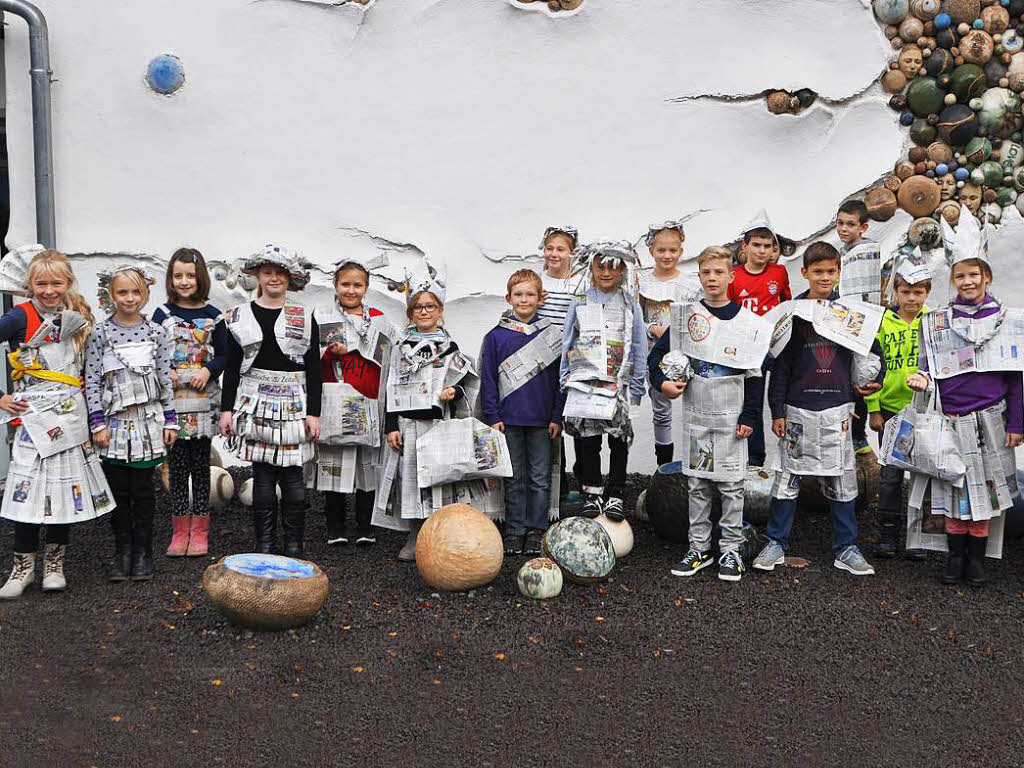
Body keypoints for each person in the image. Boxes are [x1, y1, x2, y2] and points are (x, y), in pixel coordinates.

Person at [906, 206, 1022, 587]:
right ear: (952, 279)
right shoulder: (938, 321)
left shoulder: (1007, 321)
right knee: (954, 488)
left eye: (974, 274)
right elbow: (929, 365)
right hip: (952, 417)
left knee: (986, 493)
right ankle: (954, 559)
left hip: (991, 418)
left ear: (986, 276)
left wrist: (1017, 423)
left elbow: (1016, 378)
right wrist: (923, 380)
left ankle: (976, 561)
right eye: (960, 275)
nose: (967, 281)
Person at [752, 242, 884, 576]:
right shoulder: (792, 314)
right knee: (787, 479)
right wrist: (777, 410)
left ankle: (846, 547)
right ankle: (777, 543)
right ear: (805, 272)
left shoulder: (852, 314)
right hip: (798, 408)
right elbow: (779, 367)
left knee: (841, 480)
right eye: (818, 271)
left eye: (830, 271)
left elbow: (872, 354)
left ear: (839, 272)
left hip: (838, 409)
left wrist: (874, 380)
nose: (824, 277)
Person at [648, 246, 769, 582]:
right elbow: (657, 358)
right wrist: (663, 383)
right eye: (706, 273)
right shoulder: (686, 319)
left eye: (719, 272)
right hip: (699, 419)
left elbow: (755, 375)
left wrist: (750, 417)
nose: (712, 278)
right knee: (699, 485)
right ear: (699, 277)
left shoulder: (748, 324)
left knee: (732, 488)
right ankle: (699, 548)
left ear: (731, 275)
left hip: (732, 422)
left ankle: (731, 550)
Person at [0, 249, 114, 599]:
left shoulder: (77, 314)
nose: (49, 290)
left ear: (68, 283)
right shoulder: (18, 317)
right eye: (41, 283)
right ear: (29, 285)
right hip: (32, 420)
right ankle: (22, 568)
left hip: (70, 416)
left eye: (56, 283)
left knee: (63, 490)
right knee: (26, 490)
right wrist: (1, 397)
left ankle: (54, 564)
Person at [375, 259, 482, 562]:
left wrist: (453, 392)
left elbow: (464, 386)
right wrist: (391, 426)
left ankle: (441, 537)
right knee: (411, 483)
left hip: (438, 423)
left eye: (430, 306)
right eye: (418, 307)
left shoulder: (449, 347)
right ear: (410, 313)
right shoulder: (399, 348)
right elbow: (389, 387)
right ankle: (414, 535)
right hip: (409, 424)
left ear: (440, 311)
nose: (424, 311)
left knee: (438, 482)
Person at [220, 245, 321, 556]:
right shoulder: (238, 317)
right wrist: (227, 410)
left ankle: (294, 542)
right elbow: (232, 365)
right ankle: (264, 542)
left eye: (280, 272)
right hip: (254, 401)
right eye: (267, 272)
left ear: (289, 278)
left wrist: (313, 413)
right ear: (257, 276)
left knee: (293, 476)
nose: (274, 277)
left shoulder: (303, 316)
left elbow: (314, 366)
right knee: (262, 475)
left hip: (294, 402)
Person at [85, 266, 177, 582]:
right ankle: (122, 552)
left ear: (146, 294)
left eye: (136, 292)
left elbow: (165, 378)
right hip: (113, 426)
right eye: (122, 292)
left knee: (143, 491)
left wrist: (171, 420)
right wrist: (96, 422)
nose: (129, 298)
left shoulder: (156, 334)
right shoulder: (100, 333)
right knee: (118, 492)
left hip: (147, 424)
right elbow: (92, 380)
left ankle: (143, 553)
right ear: (111, 295)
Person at [309, 257, 396, 546]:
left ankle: (365, 525)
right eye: (345, 284)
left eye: (357, 285)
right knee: (334, 462)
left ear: (367, 287)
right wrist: (330, 351)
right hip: (334, 398)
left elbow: (389, 356)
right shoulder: (322, 316)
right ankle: (335, 526)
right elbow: (309, 357)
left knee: (367, 466)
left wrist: (354, 349)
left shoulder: (379, 317)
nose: (351, 290)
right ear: (335, 285)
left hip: (368, 397)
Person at [479, 269, 565, 556]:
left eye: (530, 294)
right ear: (508, 298)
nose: (524, 299)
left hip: (541, 421)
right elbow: (488, 378)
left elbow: (559, 380)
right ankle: (515, 531)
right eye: (519, 294)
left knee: (540, 478)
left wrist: (556, 416)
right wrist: (492, 416)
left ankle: (537, 529)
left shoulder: (552, 334)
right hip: (508, 420)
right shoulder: (496, 337)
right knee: (513, 478)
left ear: (540, 298)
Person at [559, 241, 646, 521]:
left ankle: (616, 493)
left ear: (623, 272)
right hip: (586, 384)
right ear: (591, 269)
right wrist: (564, 375)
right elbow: (568, 340)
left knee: (619, 439)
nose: (606, 272)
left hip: (617, 385)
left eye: (613, 267)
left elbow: (639, 344)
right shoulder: (580, 301)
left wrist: (637, 383)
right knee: (589, 440)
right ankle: (592, 492)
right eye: (600, 266)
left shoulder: (630, 303)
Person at [152, 248, 228, 557]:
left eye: (190, 276)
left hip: (204, 403)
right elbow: (154, 352)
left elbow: (225, 354)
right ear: (171, 279)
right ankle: (179, 530)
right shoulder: (161, 315)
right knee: (177, 468)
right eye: (178, 276)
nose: (184, 282)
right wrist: (164, 371)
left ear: (201, 278)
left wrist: (209, 369)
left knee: (202, 467)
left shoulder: (214, 315)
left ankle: (200, 531)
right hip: (174, 407)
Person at [866, 248, 932, 559]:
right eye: (906, 291)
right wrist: (874, 408)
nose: (911, 298)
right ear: (896, 290)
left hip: (925, 410)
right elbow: (869, 367)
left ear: (927, 291)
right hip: (891, 410)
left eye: (918, 292)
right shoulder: (883, 322)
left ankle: (918, 536)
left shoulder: (934, 322)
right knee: (891, 475)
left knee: (923, 475)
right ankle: (887, 534)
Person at [727, 210, 793, 468]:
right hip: (745, 349)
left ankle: (784, 460)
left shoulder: (779, 273)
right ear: (745, 246)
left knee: (777, 399)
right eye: (757, 245)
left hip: (774, 348)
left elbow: (786, 305)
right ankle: (752, 458)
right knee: (747, 401)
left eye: (768, 246)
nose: (762, 251)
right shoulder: (734, 275)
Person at [637, 221, 701, 466]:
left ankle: (696, 465)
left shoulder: (691, 284)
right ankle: (662, 468)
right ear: (651, 250)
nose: (667, 255)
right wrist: (651, 328)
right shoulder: (642, 282)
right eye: (661, 250)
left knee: (694, 409)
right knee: (661, 412)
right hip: (653, 354)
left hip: (685, 354)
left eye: (672, 250)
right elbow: (634, 318)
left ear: (681, 251)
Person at [536, 226, 584, 505]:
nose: (554, 254)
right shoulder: (538, 282)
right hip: (544, 361)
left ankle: (580, 476)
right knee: (551, 421)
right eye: (550, 248)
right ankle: (560, 482)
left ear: (572, 253)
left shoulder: (579, 284)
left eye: (560, 249)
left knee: (574, 420)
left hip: (571, 361)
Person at [836, 198, 882, 455]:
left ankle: (858, 435)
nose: (843, 229)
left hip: (862, 321)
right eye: (840, 223)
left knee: (861, 377)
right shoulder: (843, 252)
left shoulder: (866, 251)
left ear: (863, 228)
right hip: (846, 321)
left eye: (850, 225)